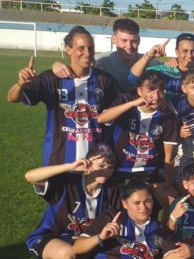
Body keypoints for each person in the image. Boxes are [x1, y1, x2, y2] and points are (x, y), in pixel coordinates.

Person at [7, 26, 120, 167]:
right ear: (68, 50)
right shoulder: (51, 78)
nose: (87, 53)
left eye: (90, 48)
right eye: (81, 48)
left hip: (96, 163)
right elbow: (12, 98)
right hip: (59, 162)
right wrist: (21, 84)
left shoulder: (104, 80)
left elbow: (119, 108)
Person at [24, 144, 119, 259]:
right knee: (66, 256)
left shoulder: (112, 189)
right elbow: (30, 176)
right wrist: (70, 166)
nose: (106, 170)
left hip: (86, 240)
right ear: (88, 163)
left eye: (111, 167)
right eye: (101, 165)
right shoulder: (67, 182)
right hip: (54, 236)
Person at [98, 72, 179, 212]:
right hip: (119, 166)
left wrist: (167, 185)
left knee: (171, 200)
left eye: (160, 91)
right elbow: (101, 118)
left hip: (149, 168)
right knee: (115, 207)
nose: (156, 96)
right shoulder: (125, 101)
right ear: (139, 90)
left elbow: (169, 157)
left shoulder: (168, 116)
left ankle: (166, 231)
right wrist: (133, 103)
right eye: (150, 90)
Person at [130, 33, 194, 100]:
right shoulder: (164, 70)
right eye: (185, 51)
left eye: (193, 51)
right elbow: (133, 77)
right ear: (177, 52)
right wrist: (149, 56)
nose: (189, 55)